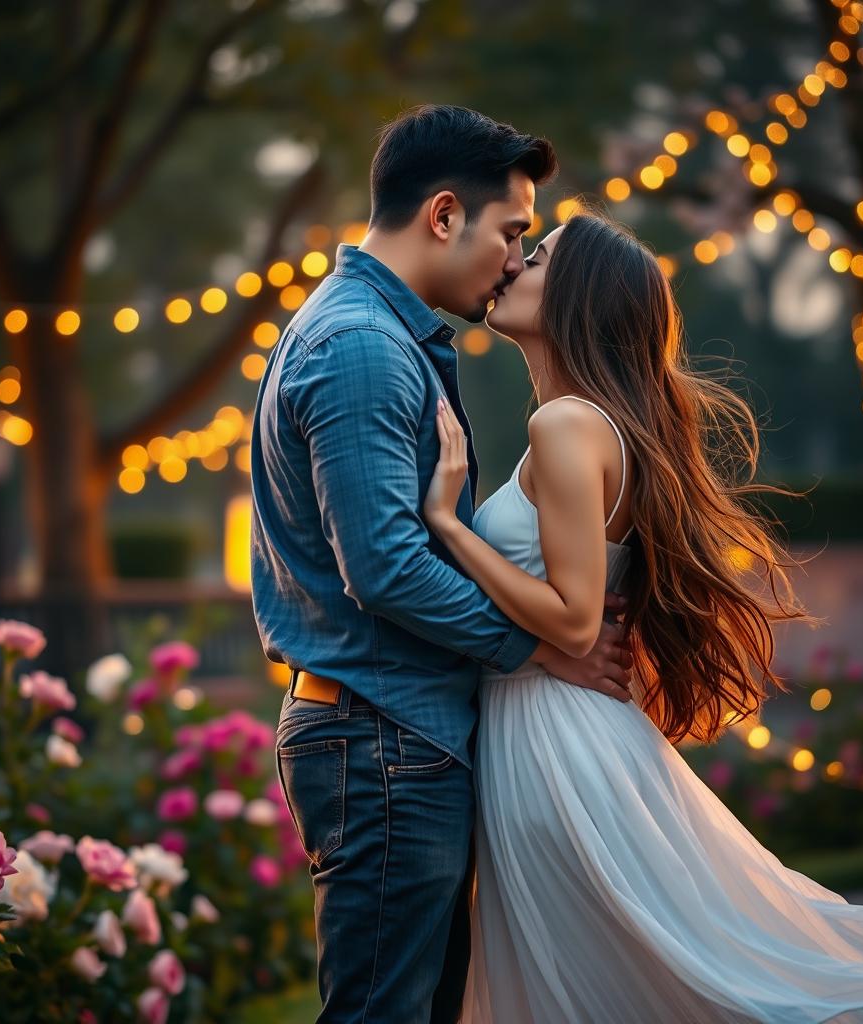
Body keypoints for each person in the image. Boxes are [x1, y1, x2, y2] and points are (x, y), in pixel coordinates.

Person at [421, 210, 863, 1023]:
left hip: (554, 745)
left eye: (535, 257)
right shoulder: (584, 423)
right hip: (557, 732)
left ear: (577, 296)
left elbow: (576, 624)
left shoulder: (566, 423)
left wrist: (446, 526)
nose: (511, 266)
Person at [249, 106, 634, 1023]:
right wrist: (538, 650)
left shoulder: (378, 336)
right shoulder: (363, 350)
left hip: (391, 734)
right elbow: (384, 569)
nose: (511, 259)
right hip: (384, 740)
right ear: (445, 215)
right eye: (511, 233)